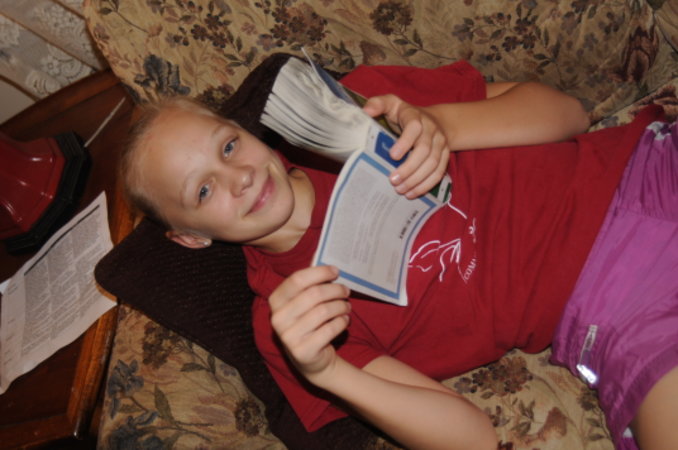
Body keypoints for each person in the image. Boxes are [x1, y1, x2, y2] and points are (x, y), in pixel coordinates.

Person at [121, 57, 677, 450]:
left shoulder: (358, 108)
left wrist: (443, 127)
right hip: (620, 305)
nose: (239, 176)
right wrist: (327, 371)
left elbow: (569, 112)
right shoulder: (291, 322)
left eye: (228, 145)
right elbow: (473, 439)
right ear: (190, 237)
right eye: (203, 190)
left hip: (646, 170)